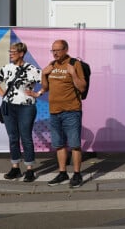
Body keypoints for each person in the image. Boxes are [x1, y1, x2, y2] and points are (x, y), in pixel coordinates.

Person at [36, 39, 86, 188]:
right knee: (59, 145)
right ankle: (62, 173)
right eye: (53, 50)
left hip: (71, 111)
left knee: (75, 145)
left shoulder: (74, 64)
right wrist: (43, 75)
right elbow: (46, 88)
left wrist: (73, 75)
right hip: (54, 111)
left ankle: (77, 175)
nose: (55, 53)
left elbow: (82, 87)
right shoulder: (52, 65)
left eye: (58, 50)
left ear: (66, 49)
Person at [0, 42, 42, 182]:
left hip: (26, 107)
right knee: (13, 137)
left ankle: (30, 169)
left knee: (26, 137)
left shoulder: (32, 69)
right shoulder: (6, 68)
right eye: (10, 51)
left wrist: (38, 93)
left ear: (21, 53)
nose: (10, 54)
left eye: (13, 52)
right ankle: (15, 168)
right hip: (9, 107)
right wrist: (3, 94)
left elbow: (47, 82)